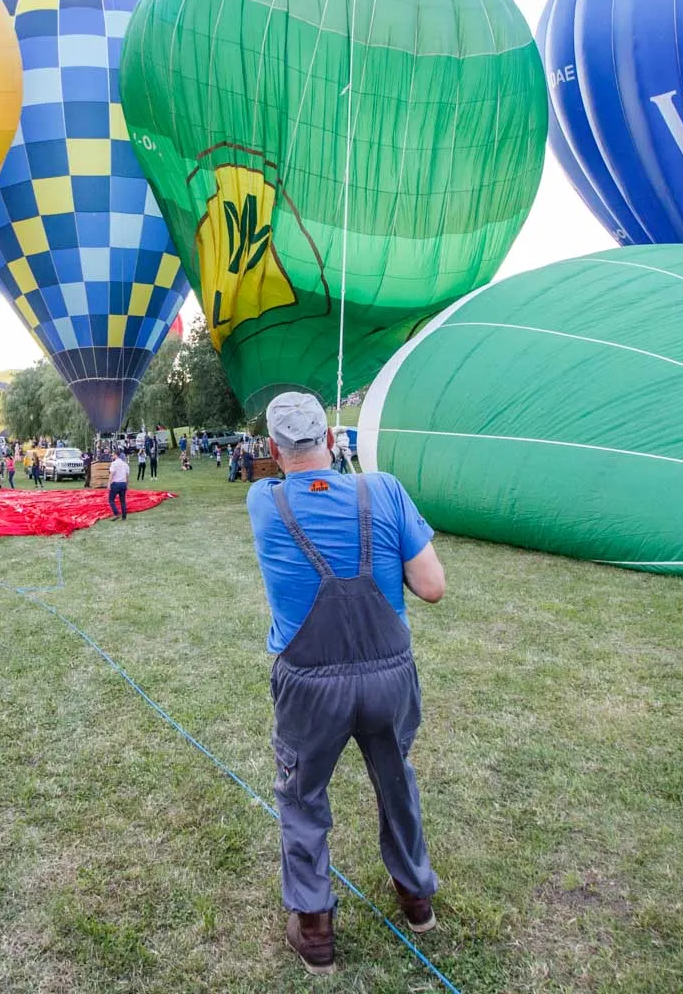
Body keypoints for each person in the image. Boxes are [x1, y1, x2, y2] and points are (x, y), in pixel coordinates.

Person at [246, 392, 446, 975]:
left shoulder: (264, 502)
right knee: (395, 780)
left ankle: (314, 930)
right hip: (389, 674)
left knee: (303, 797)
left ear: (273, 451)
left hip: (308, 684)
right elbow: (431, 586)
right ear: (332, 441)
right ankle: (416, 899)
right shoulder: (382, 489)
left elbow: (294, 488)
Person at [105, 452, 130, 520]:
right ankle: (124, 516)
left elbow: (111, 474)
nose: (111, 456)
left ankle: (116, 513)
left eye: (112, 455)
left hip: (116, 484)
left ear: (116, 455)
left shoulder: (114, 464)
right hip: (123, 483)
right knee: (123, 501)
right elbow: (127, 476)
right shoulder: (125, 464)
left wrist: (109, 483)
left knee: (111, 500)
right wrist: (127, 485)